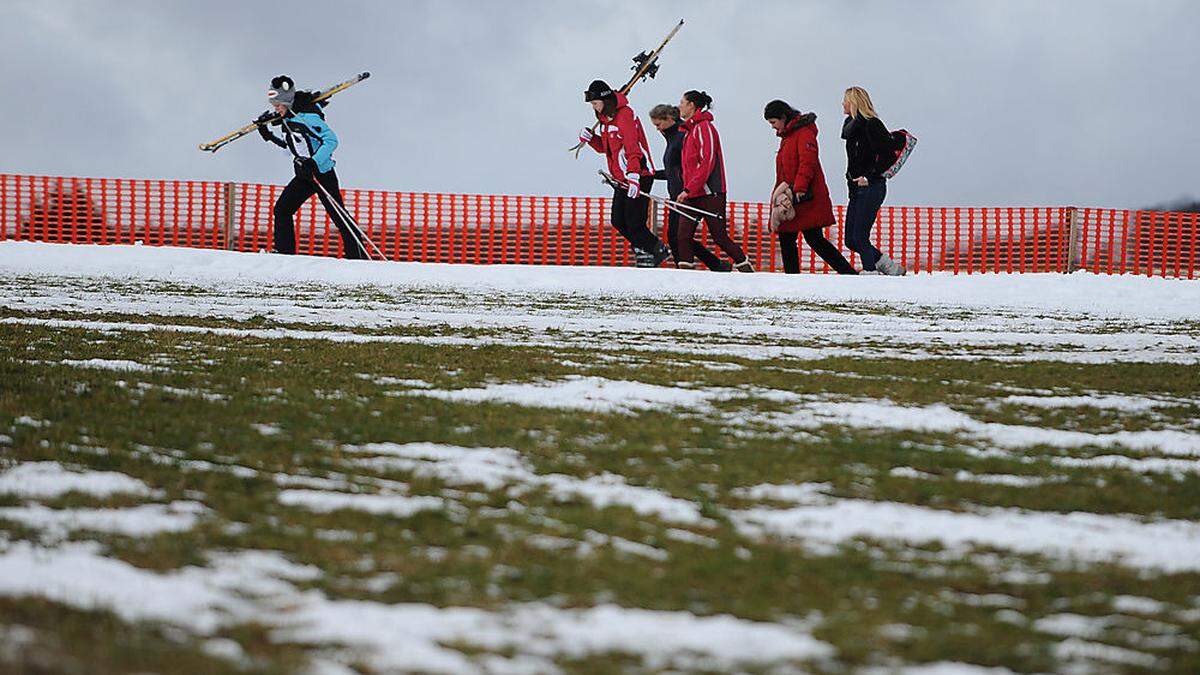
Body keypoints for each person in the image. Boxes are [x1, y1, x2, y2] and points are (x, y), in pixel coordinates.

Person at [257, 75, 365, 259]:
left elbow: (331, 141)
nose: (275, 109)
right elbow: (292, 147)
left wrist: (313, 162)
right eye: (274, 105)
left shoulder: (308, 119)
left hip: (321, 174)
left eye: (278, 105)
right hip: (304, 176)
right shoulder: (288, 121)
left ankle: (358, 256)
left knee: (339, 216)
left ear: (287, 102)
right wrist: (268, 135)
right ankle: (284, 254)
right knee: (282, 209)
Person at [580, 80, 671, 268]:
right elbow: (606, 149)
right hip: (621, 178)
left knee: (634, 222)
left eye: (596, 103)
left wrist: (634, 175)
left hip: (638, 175)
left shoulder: (625, 116)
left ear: (606, 101)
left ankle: (655, 249)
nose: (594, 107)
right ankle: (646, 250)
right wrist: (591, 140)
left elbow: (632, 147)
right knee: (618, 220)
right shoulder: (605, 120)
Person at [763, 100, 856, 275]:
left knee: (812, 239)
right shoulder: (788, 136)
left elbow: (808, 162)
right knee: (791, 236)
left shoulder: (803, 133)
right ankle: (796, 277)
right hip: (793, 197)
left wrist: (799, 188)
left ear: (783, 118)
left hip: (804, 197)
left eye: (773, 122)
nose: (773, 127)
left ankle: (847, 273)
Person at [675, 91, 753, 272]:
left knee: (719, 236)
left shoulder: (704, 128)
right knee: (683, 236)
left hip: (710, 193)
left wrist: (689, 188)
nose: (679, 106)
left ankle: (745, 267)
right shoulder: (689, 131)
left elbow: (707, 161)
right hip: (692, 193)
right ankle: (685, 274)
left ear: (692, 105)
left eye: (682, 102)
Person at [647, 104, 730, 271]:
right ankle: (714, 264)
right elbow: (673, 170)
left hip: (685, 194)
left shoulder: (680, 136)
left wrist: (688, 189)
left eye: (658, 124)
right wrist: (653, 174)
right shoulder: (672, 138)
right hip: (677, 193)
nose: (657, 129)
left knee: (678, 236)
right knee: (678, 236)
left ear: (670, 119)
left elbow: (688, 167)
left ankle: (698, 266)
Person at [841, 86, 905, 275]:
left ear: (854, 102)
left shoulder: (872, 124)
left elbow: (887, 154)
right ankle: (887, 265)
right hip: (856, 188)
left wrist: (870, 176)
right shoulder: (851, 128)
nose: (842, 104)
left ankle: (870, 273)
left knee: (860, 236)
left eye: (845, 100)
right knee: (851, 239)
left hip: (872, 187)